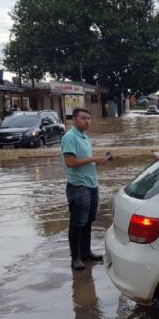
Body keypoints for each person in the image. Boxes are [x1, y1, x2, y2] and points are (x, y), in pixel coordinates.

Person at [62, 107, 108, 270]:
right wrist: (93, 158)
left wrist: (99, 160)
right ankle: (75, 258)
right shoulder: (70, 137)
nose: (87, 121)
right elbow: (70, 162)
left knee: (88, 221)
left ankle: (86, 253)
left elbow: (84, 161)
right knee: (77, 223)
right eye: (83, 118)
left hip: (91, 185)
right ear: (74, 120)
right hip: (78, 187)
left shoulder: (85, 137)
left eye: (89, 118)